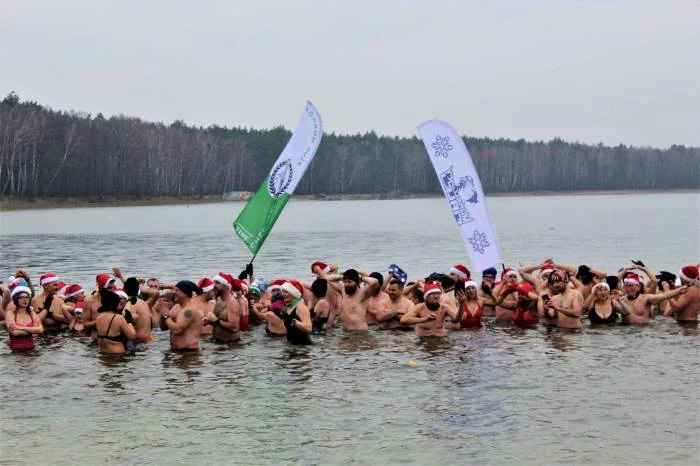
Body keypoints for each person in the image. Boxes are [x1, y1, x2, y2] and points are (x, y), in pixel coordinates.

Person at [619, 271, 687, 325]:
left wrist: (679, 291)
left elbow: (664, 295)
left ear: (638, 287)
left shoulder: (646, 298)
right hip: (626, 333)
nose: (628, 288)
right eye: (626, 286)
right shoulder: (621, 300)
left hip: (642, 332)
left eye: (631, 285)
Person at [162, 280, 203, 351]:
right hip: (175, 351)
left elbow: (177, 330)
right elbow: (164, 328)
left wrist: (166, 316)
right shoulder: (176, 307)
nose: (173, 292)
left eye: (177, 290)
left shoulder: (189, 311)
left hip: (189, 353)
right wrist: (162, 312)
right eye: (174, 290)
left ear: (185, 294)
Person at [95, 289, 136, 354]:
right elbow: (132, 336)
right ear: (115, 303)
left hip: (103, 353)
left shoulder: (99, 317)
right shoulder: (118, 318)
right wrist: (129, 321)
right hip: (117, 354)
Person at [5, 285, 43, 351]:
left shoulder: (31, 313)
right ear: (16, 299)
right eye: (21, 297)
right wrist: (33, 330)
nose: (25, 299)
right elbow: (15, 332)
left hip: (32, 349)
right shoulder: (11, 314)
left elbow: (40, 330)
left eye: (26, 297)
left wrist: (20, 328)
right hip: (16, 351)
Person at [205, 273, 240, 343]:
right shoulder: (218, 300)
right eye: (214, 282)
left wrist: (215, 320)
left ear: (226, 286)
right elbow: (219, 321)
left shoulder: (233, 303)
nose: (214, 285)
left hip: (230, 345)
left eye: (217, 283)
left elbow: (234, 328)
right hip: (217, 341)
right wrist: (208, 321)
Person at [275, 281, 313, 345]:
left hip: (303, 347)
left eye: (286, 292)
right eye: (282, 292)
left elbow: (309, 328)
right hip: (292, 346)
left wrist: (296, 322)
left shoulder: (301, 307)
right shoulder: (289, 306)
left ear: (293, 293)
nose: (283, 294)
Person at [124, 277, 153, 343]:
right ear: (138, 290)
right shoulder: (144, 303)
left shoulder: (130, 304)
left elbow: (134, 317)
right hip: (148, 340)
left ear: (124, 289)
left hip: (138, 342)